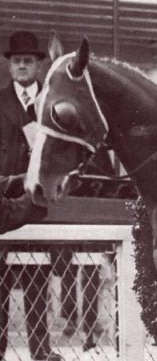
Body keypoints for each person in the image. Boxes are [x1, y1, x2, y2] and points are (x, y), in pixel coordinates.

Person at [0, 31, 63, 361]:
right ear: (9, 67)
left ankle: (42, 353)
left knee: (38, 282)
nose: (22, 66)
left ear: (39, 65)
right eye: (16, 61)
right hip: (5, 204)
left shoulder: (53, 103)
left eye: (28, 60)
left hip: (38, 205)